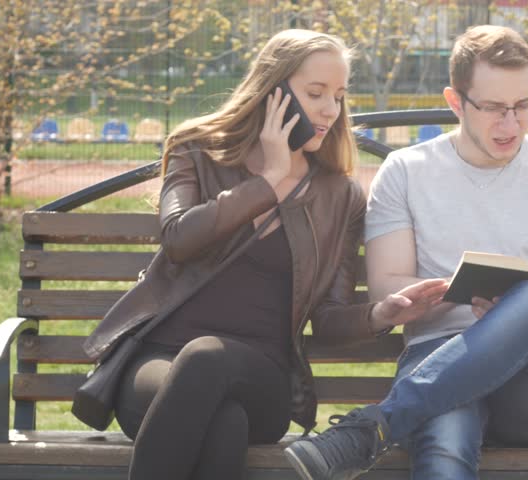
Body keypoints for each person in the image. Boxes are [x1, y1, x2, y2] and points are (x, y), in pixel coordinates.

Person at [79, 29, 447, 480]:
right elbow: (178, 238)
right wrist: (268, 182)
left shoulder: (339, 196)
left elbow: (328, 317)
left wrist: (379, 313)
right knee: (224, 425)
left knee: (206, 359)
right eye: (315, 93)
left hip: (263, 375)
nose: (331, 110)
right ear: (273, 90)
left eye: (339, 96)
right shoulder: (196, 150)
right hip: (159, 364)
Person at [285, 25, 528, 480]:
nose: (512, 123)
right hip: (437, 358)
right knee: (444, 445)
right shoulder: (405, 171)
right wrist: (445, 295)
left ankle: (372, 428)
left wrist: (513, 312)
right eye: (495, 109)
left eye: (524, 106)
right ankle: (382, 427)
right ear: (455, 101)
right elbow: (387, 284)